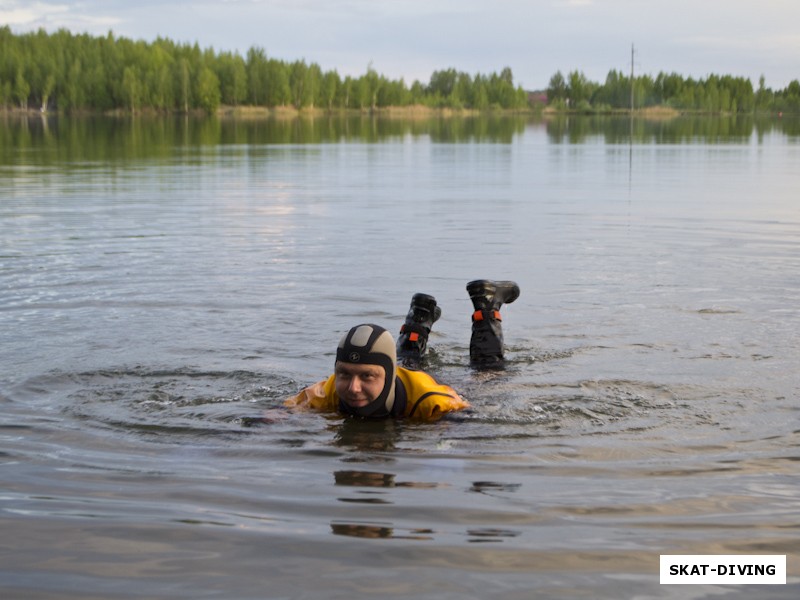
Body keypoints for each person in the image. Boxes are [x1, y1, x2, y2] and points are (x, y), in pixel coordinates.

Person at [284, 279, 520, 421]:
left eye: (366, 375)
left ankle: (486, 303)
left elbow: (470, 440)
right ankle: (419, 319)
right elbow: (275, 416)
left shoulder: (435, 403)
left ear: (388, 374)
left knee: (488, 375)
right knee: (408, 361)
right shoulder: (329, 390)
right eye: (345, 374)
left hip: (427, 387)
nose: (353, 388)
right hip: (400, 375)